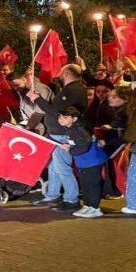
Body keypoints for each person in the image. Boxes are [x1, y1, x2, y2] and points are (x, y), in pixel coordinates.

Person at [28, 64, 88, 212]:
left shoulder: (73, 89)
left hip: (62, 135)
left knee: (62, 168)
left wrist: (37, 99)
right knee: (55, 167)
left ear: (66, 73)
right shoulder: (74, 89)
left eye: (60, 72)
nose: (59, 76)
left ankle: (71, 199)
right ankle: (53, 194)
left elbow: (54, 111)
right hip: (57, 134)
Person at [57, 106, 110, 218]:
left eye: (65, 117)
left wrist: (70, 150)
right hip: (83, 161)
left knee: (93, 184)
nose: (61, 119)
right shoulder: (70, 129)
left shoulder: (79, 129)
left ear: (74, 119)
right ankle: (87, 205)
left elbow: (85, 145)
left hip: (92, 160)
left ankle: (95, 208)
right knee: (85, 184)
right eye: (60, 116)